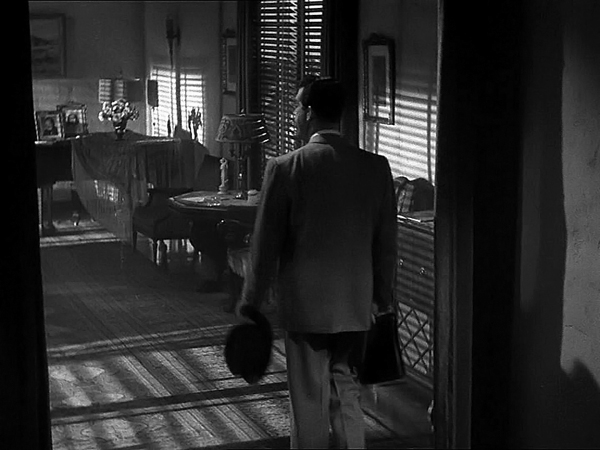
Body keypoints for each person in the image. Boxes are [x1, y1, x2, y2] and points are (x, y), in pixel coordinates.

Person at [234, 76, 397, 448]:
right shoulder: (375, 167)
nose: (293, 114)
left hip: (305, 307)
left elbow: (265, 246)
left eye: (296, 106)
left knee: (308, 401)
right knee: (347, 394)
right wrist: (382, 299)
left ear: (308, 113)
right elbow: (386, 244)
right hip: (356, 303)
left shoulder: (286, 167)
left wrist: (250, 301)